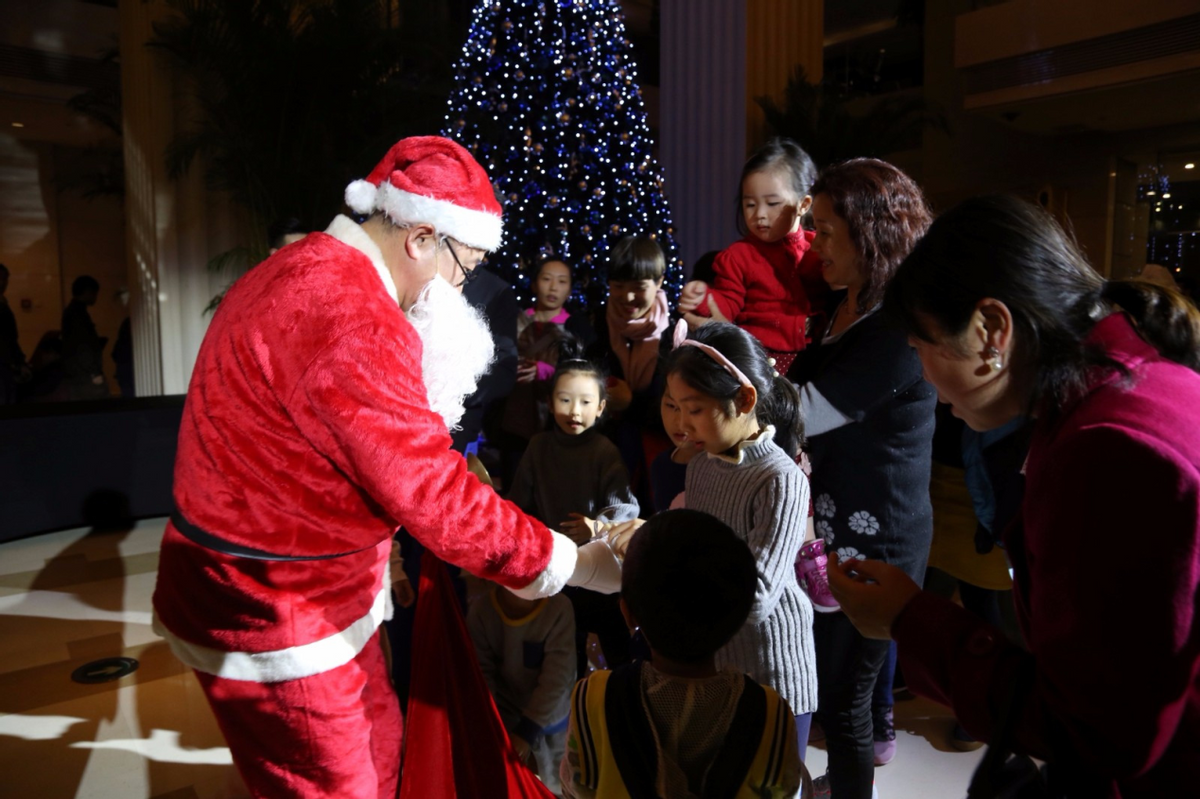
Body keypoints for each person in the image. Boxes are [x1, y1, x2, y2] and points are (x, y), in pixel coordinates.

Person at [150, 136, 620, 799]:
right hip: (278, 605)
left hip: (302, 585)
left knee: (378, 747)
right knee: (334, 782)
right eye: (467, 263)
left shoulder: (307, 263)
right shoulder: (354, 318)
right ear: (421, 237)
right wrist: (575, 561)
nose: (463, 285)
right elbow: (432, 491)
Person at [829, 194, 1200, 798]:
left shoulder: (1106, 449)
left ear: (991, 329)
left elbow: (1099, 731)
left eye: (922, 348)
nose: (922, 374)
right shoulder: (1137, 384)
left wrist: (910, 620)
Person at [786, 158, 935, 799]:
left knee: (847, 702)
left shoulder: (899, 327)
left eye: (824, 230)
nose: (812, 243)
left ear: (869, 232)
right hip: (834, 524)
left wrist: (722, 363)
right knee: (834, 694)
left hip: (880, 538)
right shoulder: (848, 304)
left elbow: (809, 409)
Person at [562, 509, 810, 798]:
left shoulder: (593, 700)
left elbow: (576, 788)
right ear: (738, 617)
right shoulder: (771, 716)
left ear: (627, 613)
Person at [659, 320, 818, 760]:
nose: (682, 424)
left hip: (772, 670)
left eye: (694, 409)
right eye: (674, 407)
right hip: (715, 664)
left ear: (745, 400)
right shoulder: (702, 464)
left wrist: (669, 599)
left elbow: (756, 595)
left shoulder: (780, 479)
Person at [508, 356, 639, 678]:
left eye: (585, 402)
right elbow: (519, 503)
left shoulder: (604, 450)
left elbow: (623, 508)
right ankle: (570, 709)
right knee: (565, 645)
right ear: (550, 403)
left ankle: (623, 699)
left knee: (617, 644)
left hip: (599, 562)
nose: (574, 411)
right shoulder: (539, 447)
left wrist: (595, 527)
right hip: (557, 564)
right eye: (564, 400)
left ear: (601, 408)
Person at [678, 137, 828, 375]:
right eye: (750, 205)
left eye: (772, 203)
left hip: (816, 353)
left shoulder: (818, 247)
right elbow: (728, 303)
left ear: (804, 204)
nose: (759, 214)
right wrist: (703, 297)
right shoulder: (739, 256)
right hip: (760, 356)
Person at [466, 581, 575, 794]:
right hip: (506, 719)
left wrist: (528, 729)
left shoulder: (559, 608)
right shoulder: (481, 612)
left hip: (552, 719)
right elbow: (481, 675)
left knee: (561, 784)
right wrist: (493, 725)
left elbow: (558, 677)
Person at [501, 257, 594, 450]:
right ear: (534, 285)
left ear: (569, 290)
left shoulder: (575, 328)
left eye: (562, 281)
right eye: (546, 279)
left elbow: (585, 374)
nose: (553, 288)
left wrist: (546, 371)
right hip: (514, 420)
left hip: (556, 422)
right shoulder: (515, 321)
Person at [61, 275, 109, 400]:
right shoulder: (78, 314)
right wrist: (94, 372)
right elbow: (83, 345)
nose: (96, 297)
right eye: (94, 293)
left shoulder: (73, 312)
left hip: (79, 373)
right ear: (88, 292)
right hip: (85, 375)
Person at [0, 263, 30, 404]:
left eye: (5, 279)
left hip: (7, 367)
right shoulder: (3, 306)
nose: (3, 283)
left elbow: (10, 339)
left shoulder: (4, 305)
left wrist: (19, 363)